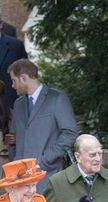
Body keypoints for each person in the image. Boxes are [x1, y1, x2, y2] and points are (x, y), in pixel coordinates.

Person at [8, 58, 77, 193]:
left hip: (48, 176)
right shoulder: (18, 104)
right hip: (20, 180)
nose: (12, 86)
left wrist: (45, 160)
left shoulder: (57, 99)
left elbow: (70, 134)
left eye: (13, 80)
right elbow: (14, 138)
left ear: (23, 78)